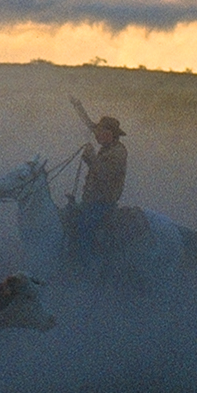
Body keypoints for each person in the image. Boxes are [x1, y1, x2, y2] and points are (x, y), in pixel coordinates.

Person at [68, 100, 127, 268]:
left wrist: (91, 158)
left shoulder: (118, 153)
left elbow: (105, 175)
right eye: (97, 131)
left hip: (103, 204)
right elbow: (90, 124)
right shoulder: (109, 145)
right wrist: (78, 106)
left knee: (83, 229)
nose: (96, 134)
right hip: (90, 201)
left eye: (101, 131)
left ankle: (87, 267)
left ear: (110, 134)